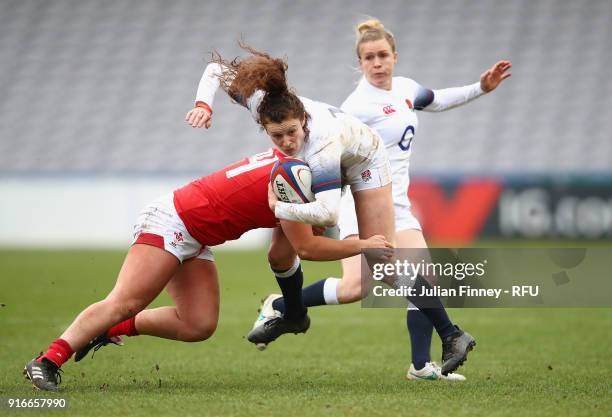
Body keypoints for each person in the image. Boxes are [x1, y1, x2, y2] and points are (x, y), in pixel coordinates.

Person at [239, 19, 512, 381]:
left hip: (397, 202)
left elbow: (438, 99)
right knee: (357, 287)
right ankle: (281, 304)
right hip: (361, 200)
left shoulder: (406, 90)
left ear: (395, 57)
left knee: (423, 277)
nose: (377, 62)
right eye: (369, 57)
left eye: (383, 55)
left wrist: (481, 87)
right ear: (360, 63)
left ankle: (420, 367)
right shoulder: (357, 106)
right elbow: (331, 154)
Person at [185, 42, 476, 375]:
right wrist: (203, 105)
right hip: (326, 160)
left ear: (304, 121)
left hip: (365, 160)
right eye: (275, 136)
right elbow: (215, 70)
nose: (286, 142)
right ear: (262, 124)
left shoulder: (319, 145)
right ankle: (289, 311)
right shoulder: (261, 103)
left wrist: (279, 208)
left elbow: (328, 214)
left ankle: (451, 334)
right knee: (282, 255)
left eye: (292, 132)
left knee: (381, 262)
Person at [23, 147, 393, 391]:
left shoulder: (302, 168)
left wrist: (293, 304)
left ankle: (108, 329)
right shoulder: (299, 177)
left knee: (198, 324)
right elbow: (307, 248)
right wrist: (362, 245)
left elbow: (282, 256)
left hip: (195, 234)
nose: (354, 181)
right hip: (173, 221)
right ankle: (46, 360)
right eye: (354, 174)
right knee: (126, 299)